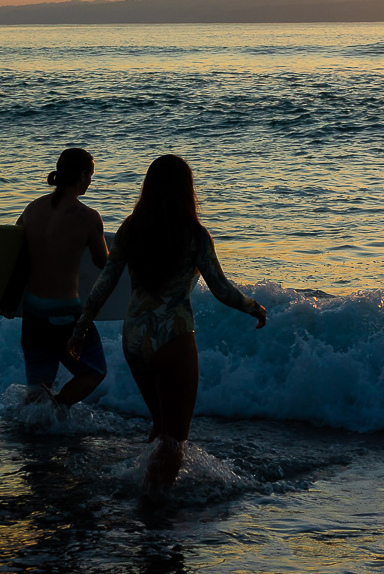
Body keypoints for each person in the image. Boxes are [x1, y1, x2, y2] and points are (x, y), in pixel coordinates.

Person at [68, 154, 267, 490]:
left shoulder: (131, 230)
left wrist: (82, 325)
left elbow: (105, 283)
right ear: (186, 191)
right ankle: (152, 508)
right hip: (173, 336)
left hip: (134, 337)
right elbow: (220, 288)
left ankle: (144, 494)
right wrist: (253, 307)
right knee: (175, 439)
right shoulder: (194, 234)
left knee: (161, 424)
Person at [16, 147, 109, 407]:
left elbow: (13, 250)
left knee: (38, 387)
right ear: (81, 175)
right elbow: (104, 263)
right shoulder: (88, 217)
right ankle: (58, 408)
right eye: (91, 175)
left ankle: (32, 431)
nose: (90, 181)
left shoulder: (32, 209)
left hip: (33, 310)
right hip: (65, 313)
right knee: (94, 371)